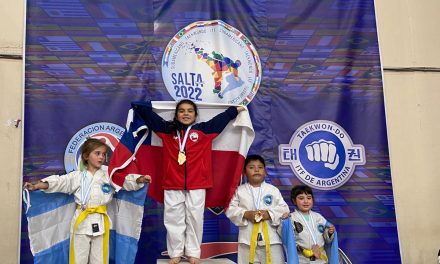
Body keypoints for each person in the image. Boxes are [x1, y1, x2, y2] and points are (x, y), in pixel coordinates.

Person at [131, 99, 245, 264]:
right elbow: (151, 117)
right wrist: (140, 106)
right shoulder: (166, 130)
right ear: (176, 114)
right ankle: (175, 252)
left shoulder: (204, 130)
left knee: (195, 218)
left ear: (196, 115)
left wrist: (234, 111)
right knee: (173, 219)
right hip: (172, 182)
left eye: (190, 111)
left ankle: (193, 252)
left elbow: (221, 120)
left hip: (198, 183)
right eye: (182, 111)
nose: (185, 114)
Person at [24, 138, 151, 264]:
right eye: (97, 153)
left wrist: (139, 179)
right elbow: (59, 182)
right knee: (79, 260)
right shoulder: (77, 176)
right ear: (86, 156)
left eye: (103, 154)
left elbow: (125, 180)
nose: (101, 157)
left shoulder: (109, 174)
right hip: (81, 223)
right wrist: (36, 186)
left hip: (101, 223)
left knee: (100, 261)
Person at [226, 154, 289, 264]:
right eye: (251, 167)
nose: (256, 170)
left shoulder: (272, 190)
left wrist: (269, 214)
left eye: (260, 167)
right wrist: (246, 214)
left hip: (271, 240)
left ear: (265, 172)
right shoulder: (239, 191)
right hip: (247, 241)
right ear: (244, 172)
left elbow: (284, 209)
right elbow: (230, 209)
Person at [281, 185, 337, 264]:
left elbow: (327, 240)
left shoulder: (319, 217)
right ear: (294, 201)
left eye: (309, 198)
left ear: (312, 200)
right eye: (301, 198)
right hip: (302, 259)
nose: (306, 201)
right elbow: (287, 239)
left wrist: (329, 233)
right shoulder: (291, 218)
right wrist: (284, 222)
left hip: (320, 259)